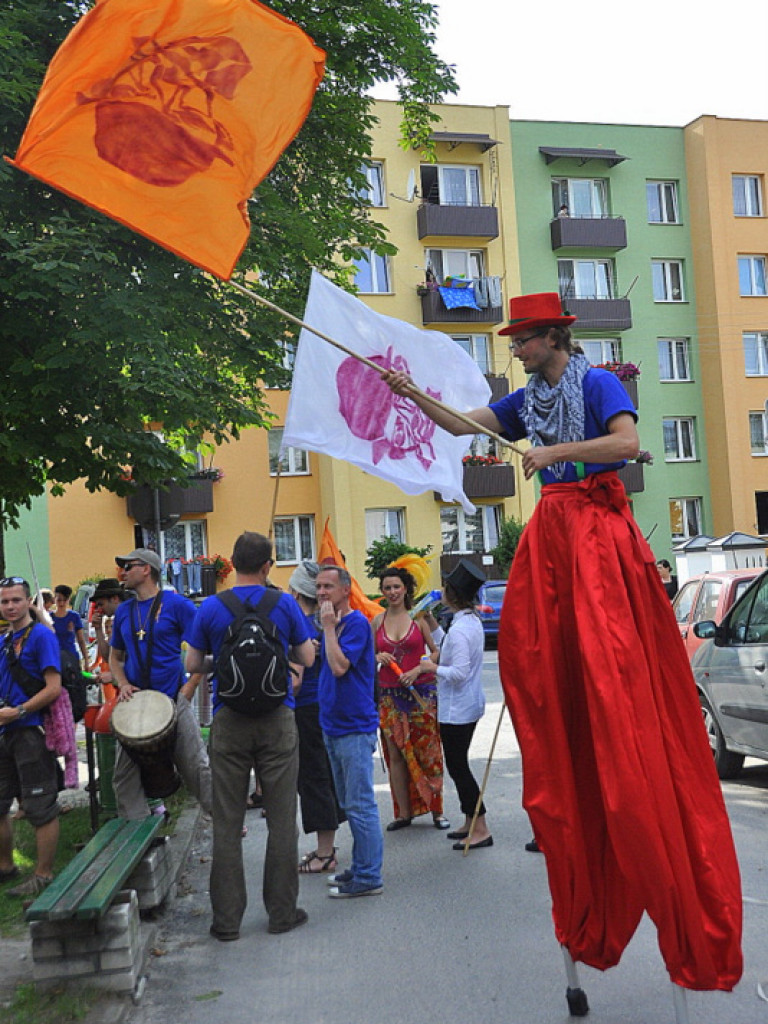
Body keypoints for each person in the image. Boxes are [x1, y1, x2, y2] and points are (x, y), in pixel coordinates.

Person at [384, 291, 742, 992]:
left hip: (596, 533)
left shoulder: (599, 379)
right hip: (552, 535)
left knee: (612, 670)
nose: (514, 349)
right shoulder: (522, 400)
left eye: (521, 339)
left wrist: (556, 452)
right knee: (537, 667)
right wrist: (413, 394)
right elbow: (464, 423)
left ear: (552, 338)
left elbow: (627, 445)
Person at [186, 532, 315, 940]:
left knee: (227, 822)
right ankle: (281, 913)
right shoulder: (285, 604)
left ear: (233, 563)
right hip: (278, 718)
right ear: (266, 567)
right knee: (281, 821)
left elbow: (192, 661)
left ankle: (226, 922)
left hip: (229, 720)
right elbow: (307, 657)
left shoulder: (211, 607)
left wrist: (221, 659)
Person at [108, 549, 211, 821]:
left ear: (146, 570)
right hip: (136, 705)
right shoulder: (124, 611)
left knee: (197, 768)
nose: (123, 572)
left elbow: (203, 650)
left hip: (173, 699)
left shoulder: (177, 605)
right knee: (124, 777)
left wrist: (189, 689)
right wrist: (123, 683)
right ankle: (137, 833)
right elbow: (114, 657)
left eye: (128, 566)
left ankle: (226, 822)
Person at [316, 565, 383, 899]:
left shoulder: (354, 623)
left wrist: (329, 629)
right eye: (318, 587)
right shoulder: (332, 625)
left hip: (354, 728)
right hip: (333, 725)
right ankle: (360, 868)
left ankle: (370, 877)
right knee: (348, 801)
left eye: (328, 586)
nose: (322, 593)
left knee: (360, 804)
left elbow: (340, 666)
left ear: (345, 590)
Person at [0, 576, 62, 898]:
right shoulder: (3, 641)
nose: (10, 606)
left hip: (31, 730)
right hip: (4, 731)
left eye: (16, 600)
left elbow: (54, 688)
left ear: (28, 602)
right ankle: (6, 867)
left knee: (39, 805)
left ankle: (43, 873)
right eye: (4, 601)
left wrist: (20, 711)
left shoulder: (41, 637)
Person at [372, 566, 447, 832]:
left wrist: (420, 668)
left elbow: (437, 651)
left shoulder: (419, 619)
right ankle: (403, 814)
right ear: (382, 592)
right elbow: (366, 658)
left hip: (421, 694)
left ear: (406, 589)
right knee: (396, 755)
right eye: (387, 588)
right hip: (390, 696)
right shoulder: (377, 622)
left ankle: (437, 811)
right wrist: (376, 657)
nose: (392, 592)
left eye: (396, 587)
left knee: (429, 752)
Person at [426, 560, 492, 851]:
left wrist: (431, 668)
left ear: (452, 593)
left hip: (458, 710)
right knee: (458, 765)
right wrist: (430, 624)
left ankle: (480, 828)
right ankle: (470, 820)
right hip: (463, 706)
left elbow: (459, 671)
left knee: (459, 767)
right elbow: (450, 648)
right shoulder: (465, 621)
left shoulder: (463, 628)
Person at [289, 559, 345, 874]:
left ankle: (325, 852)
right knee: (322, 776)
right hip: (323, 706)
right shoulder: (324, 622)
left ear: (296, 592)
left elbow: (295, 680)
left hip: (305, 709)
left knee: (313, 780)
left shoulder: (301, 624)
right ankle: (326, 847)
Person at [90, 578, 128, 668]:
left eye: (101, 604)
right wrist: (98, 628)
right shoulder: (118, 622)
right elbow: (108, 656)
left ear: (114, 599)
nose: (99, 610)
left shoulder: (129, 618)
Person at [52, 584, 89, 667]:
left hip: (71, 657)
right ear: (55, 599)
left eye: (64, 600)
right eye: (59, 600)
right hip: (54, 657)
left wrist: (86, 660)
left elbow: (81, 640)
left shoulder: (74, 616)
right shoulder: (49, 617)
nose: (61, 603)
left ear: (68, 600)